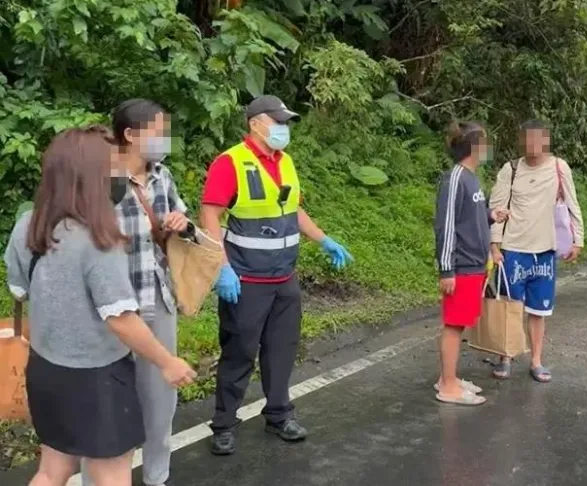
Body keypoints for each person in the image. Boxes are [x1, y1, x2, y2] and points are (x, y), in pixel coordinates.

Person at [4, 126, 195, 486]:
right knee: (111, 475)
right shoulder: (98, 240)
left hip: (46, 369)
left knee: (52, 470)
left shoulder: (28, 226)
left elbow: (19, 289)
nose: (120, 176)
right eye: (113, 168)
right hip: (97, 380)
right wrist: (167, 361)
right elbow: (121, 319)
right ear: (89, 177)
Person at [200, 95, 353, 455]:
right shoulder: (230, 163)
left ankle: (279, 414)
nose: (283, 128)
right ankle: (224, 424)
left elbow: (293, 209)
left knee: (281, 351)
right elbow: (209, 217)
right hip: (246, 279)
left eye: (285, 122)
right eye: (277, 121)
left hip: (284, 277)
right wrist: (221, 267)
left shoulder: (285, 162)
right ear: (255, 123)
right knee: (238, 352)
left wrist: (323, 239)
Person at [79, 99, 189, 486]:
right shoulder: (100, 181)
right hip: (109, 309)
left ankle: (157, 477)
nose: (164, 140)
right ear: (130, 135)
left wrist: (180, 222)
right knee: (106, 405)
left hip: (156, 297)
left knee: (160, 398)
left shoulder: (163, 176)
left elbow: (184, 221)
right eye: (158, 132)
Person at [487, 120, 585, 383]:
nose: (532, 145)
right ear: (521, 142)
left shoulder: (558, 167)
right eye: (527, 140)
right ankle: (506, 356)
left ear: (546, 141)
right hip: (513, 249)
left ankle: (536, 360)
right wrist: (494, 246)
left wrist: (578, 240)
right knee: (509, 307)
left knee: (539, 311)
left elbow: (572, 204)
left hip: (545, 251)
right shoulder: (511, 169)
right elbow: (497, 207)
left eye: (537, 140)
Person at [433, 122, 508, 406]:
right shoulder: (454, 179)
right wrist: (447, 270)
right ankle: (448, 385)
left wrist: (491, 215)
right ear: (475, 147)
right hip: (461, 266)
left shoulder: (472, 178)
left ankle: (447, 377)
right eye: (485, 144)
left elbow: (469, 217)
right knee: (453, 325)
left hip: (476, 264)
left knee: (460, 323)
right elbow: (446, 225)